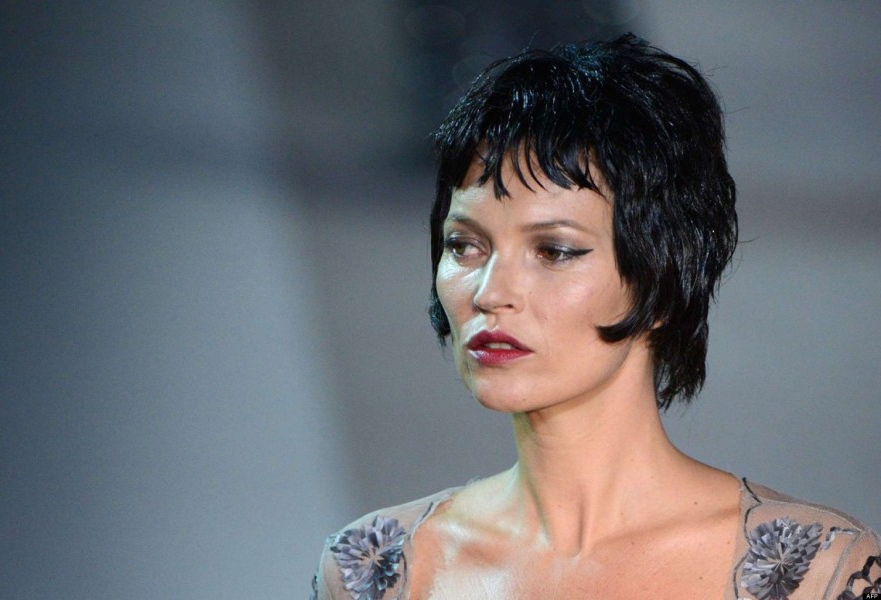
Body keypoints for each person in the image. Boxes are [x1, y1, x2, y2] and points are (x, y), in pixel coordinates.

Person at [310, 34, 880, 599]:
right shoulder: (374, 570)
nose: (491, 293)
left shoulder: (817, 572)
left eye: (554, 251)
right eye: (465, 246)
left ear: (660, 274)